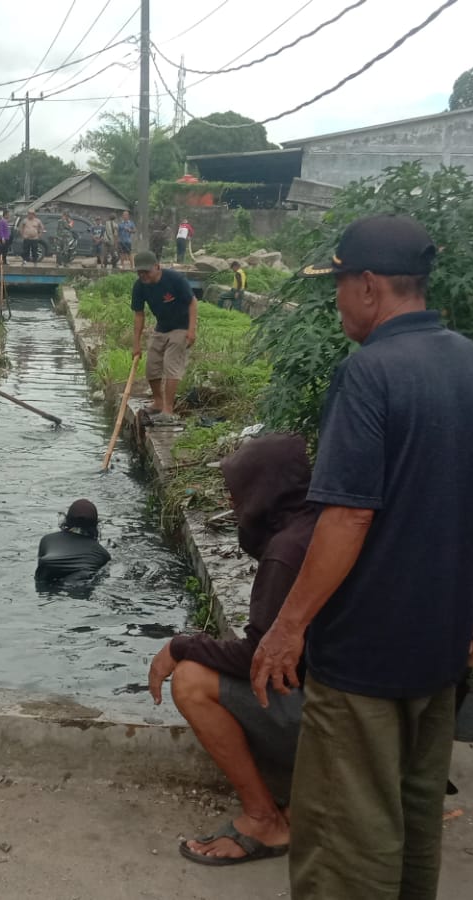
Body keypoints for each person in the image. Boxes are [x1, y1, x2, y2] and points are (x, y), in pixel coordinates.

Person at [252, 214, 473, 899]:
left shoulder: (370, 374)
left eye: (338, 283)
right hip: (439, 651)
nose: (336, 298)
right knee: (414, 817)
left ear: (368, 286)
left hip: (366, 656)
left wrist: (290, 626)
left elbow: (349, 514)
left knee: (345, 835)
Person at [147, 434, 316, 866]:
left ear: (263, 491)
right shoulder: (322, 527)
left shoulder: (286, 553)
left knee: (190, 679)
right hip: (369, 710)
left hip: (331, 723)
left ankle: (263, 819)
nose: (230, 499)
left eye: (236, 490)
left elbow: (260, 659)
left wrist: (183, 644)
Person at [130, 251, 197, 424]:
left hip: (181, 327)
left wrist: (191, 330)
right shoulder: (139, 286)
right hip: (161, 328)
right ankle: (158, 402)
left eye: (146, 272)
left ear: (157, 267)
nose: (143, 276)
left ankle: (168, 410)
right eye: (140, 272)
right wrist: (136, 344)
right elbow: (139, 315)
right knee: (152, 366)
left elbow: (192, 302)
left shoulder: (175, 280)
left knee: (170, 365)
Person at [35, 499, 111, 583]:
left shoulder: (47, 540)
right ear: (96, 524)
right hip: (79, 580)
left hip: (45, 570)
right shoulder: (102, 554)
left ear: (66, 520)